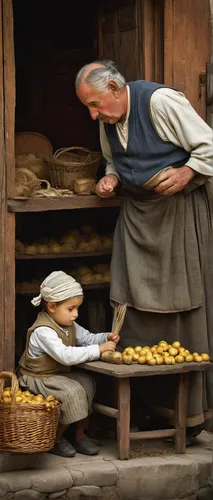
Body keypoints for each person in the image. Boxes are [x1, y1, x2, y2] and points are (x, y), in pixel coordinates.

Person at [75, 59, 213, 437]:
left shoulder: (160, 102)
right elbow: (112, 160)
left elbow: (209, 146)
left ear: (117, 90)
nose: (92, 114)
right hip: (137, 217)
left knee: (182, 301)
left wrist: (188, 171)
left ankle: (186, 414)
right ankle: (140, 407)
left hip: (177, 213)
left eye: (96, 104)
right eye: (88, 106)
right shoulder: (109, 122)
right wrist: (110, 178)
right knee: (131, 301)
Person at [18, 270, 118, 458]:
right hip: (37, 378)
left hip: (56, 375)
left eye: (77, 308)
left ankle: (79, 434)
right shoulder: (43, 331)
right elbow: (66, 356)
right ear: (52, 306)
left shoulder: (69, 325)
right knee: (72, 392)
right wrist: (99, 349)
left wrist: (105, 337)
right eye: (71, 309)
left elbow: (88, 338)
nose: (76, 314)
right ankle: (55, 439)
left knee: (87, 382)